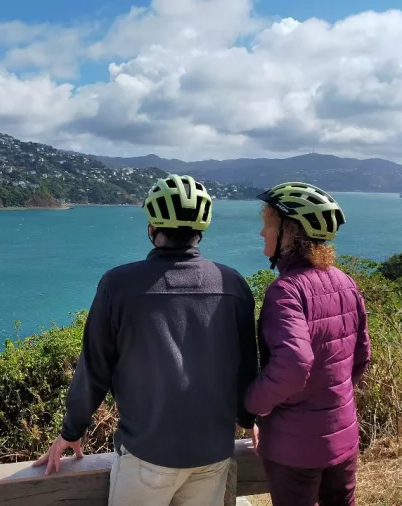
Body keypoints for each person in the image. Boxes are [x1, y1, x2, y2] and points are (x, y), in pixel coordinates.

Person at [34, 174, 259, 506]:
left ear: (152, 229)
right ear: (200, 231)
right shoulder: (233, 284)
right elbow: (246, 366)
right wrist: (249, 417)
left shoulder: (119, 285)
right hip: (213, 454)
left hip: (148, 454)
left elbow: (95, 366)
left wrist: (72, 430)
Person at [244, 182, 372, 506]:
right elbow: (361, 357)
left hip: (295, 448)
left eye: (269, 224)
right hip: (343, 437)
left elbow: (293, 364)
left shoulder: (286, 291)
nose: (262, 233)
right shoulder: (345, 282)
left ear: (289, 233)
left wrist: (252, 403)